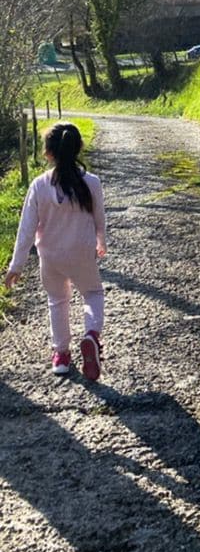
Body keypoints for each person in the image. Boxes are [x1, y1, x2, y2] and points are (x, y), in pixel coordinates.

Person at [4, 123, 107, 380]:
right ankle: (91, 334)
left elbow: (26, 228)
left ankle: (61, 355)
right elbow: (99, 218)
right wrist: (101, 241)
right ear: (78, 148)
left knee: (57, 301)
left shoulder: (39, 185)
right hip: (82, 251)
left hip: (50, 256)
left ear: (48, 153)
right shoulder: (91, 182)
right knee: (92, 293)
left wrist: (16, 265)